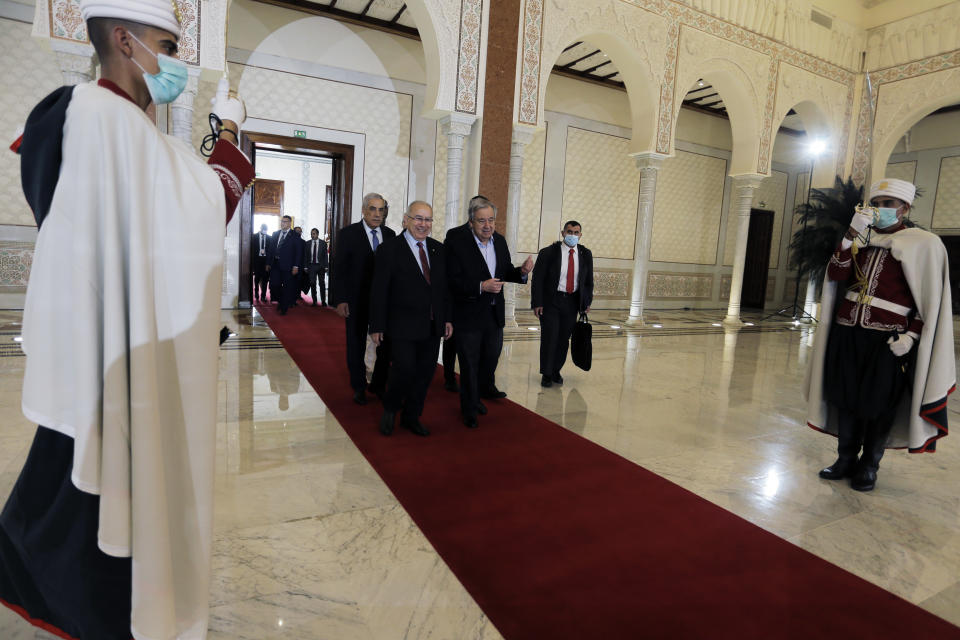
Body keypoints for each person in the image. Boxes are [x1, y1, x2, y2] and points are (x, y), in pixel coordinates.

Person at [0, 1, 254, 639]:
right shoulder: (104, 118)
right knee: (97, 469)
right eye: (166, 45)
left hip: (114, 333)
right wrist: (228, 140)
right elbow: (201, 209)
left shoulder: (107, 121)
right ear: (123, 39)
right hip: (116, 341)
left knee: (83, 466)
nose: (174, 61)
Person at [805, 178, 955, 491]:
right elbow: (836, 275)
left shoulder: (923, 244)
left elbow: (929, 301)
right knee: (844, 399)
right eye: (877, 203)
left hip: (888, 341)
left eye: (888, 203)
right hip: (848, 333)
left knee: (879, 405)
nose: (880, 209)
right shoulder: (860, 239)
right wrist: (849, 235)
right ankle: (845, 457)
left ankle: (869, 465)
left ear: (905, 208)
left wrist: (911, 336)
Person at [446, 196, 533, 428]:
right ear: (471, 222)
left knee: (489, 360)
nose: (488, 226)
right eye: (482, 221)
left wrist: (522, 272)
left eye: (491, 220)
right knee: (469, 364)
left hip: (494, 316)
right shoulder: (458, 242)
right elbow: (452, 280)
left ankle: (478, 396)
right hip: (469, 315)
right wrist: (480, 286)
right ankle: (469, 409)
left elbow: (504, 272)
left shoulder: (500, 242)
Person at [369, 202, 452, 436]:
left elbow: (443, 289)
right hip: (401, 325)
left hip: (431, 324)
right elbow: (379, 290)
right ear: (406, 220)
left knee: (425, 373)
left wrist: (446, 318)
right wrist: (377, 325)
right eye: (418, 218)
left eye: (428, 220)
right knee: (403, 370)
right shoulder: (389, 249)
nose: (423, 224)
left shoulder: (438, 249)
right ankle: (390, 408)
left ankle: (411, 416)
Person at [331, 193, 396, 405]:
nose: (377, 214)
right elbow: (339, 269)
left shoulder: (390, 234)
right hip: (356, 300)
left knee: (385, 345)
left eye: (381, 210)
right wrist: (340, 299)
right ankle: (358, 386)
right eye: (372, 209)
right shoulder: (348, 234)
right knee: (356, 344)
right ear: (364, 210)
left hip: (384, 302)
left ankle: (378, 384)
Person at [532, 220, 594, 387]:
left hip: (572, 302)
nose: (572, 235)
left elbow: (588, 281)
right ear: (563, 233)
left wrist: (586, 302)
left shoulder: (585, 254)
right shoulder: (548, 253)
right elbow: (538, 279)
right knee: (550, 337)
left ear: (580, 235)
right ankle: (546, 372)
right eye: (569, 231)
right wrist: (537, 303)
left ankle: (555, 370)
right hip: (551, 301)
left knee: (563, 339)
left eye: (576, 232)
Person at [441, 194, 488, 393]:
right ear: (471, 213)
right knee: (451, 342)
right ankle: (449, 376)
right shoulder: (455, 234)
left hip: (481, 301)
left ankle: (479, 383)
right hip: (456, 297)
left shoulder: (490, 234)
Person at [266, 214, 302, 315]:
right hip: (275, 264)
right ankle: (282, 301)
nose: (283, 223)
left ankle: (284, 307)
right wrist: (268, 263)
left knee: (287, 287)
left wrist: (296, 266)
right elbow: (271, 250)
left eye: (285, 222)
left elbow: (298, 252)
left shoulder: (295, 235)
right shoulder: (275, 234)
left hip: (288, 266)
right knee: (274, 285)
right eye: (282, 221)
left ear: (290, 223)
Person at [304, 227, 328, 306]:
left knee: (322, 283)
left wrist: (326, 266)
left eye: (314, 234)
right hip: (311, 266)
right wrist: (305, 266)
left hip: (321, 266)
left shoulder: (323, 243)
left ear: (317, 234)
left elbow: (325, 256)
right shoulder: (307, 243)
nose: (312, 235)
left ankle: (323, 301)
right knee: (312, 283)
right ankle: (314, 301)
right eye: (311, 234)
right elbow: (306, 256)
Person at [252, 222, 272, 302]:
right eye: (263, 229)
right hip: (257, 260)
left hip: (265, 261)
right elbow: (252, 250)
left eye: (266, 230)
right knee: (257, 278)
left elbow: (270, 251)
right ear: (260, 229)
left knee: (265, 279)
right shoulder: (254, 237)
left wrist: (269, 263)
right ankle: (256, 292)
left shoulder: (269, 238)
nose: (265, 231)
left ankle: (263, 295)